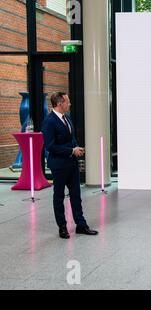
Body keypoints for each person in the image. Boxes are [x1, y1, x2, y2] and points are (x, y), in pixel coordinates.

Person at [42, 92, 98, 239]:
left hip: (71, 163)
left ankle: (81, 225)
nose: (70, 103)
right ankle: (62, 227)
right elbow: (50, 146)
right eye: (68, 101)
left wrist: (76, 148)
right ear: (60, 103)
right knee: (59, 197)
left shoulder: (67, 118)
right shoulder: (49, 121)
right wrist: (71, 150)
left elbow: (71, 138)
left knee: (76, 196)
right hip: (59, 165)